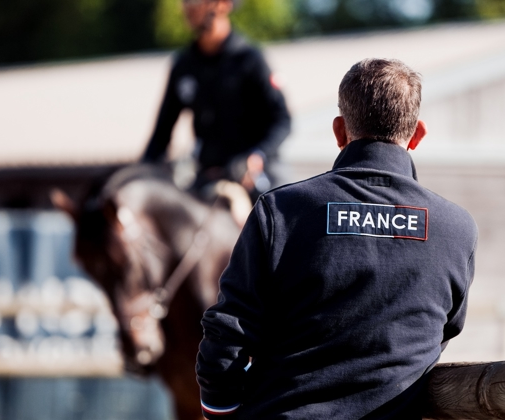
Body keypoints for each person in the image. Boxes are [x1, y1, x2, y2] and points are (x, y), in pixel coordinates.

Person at [195, 58, 478, 419]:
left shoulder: (281, 211)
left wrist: (223, 413)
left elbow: (226, 340)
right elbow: (444, 329)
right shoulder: (457, 229)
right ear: (418, 134)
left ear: (340, 131)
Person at [141, 0, 291, 203]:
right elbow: (161, 135)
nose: (187, 7)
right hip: (207, 177)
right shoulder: (183, 66)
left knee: (282, 221)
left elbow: (282, 119)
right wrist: (139, 174)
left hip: (254, 176)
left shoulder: (250, 60)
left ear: (222, 5)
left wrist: (258, 155)